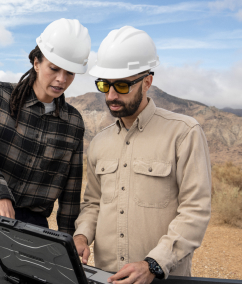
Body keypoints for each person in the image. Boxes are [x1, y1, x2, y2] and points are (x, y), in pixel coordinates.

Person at [73, 26, 211, 284]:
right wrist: (82, 236)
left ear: (147, 81)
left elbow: (196, 210)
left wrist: (153, 264)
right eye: (104, 85)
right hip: (108, 278)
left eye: (122, 86)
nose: (111, 96)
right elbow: (93, 203)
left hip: (163, 279)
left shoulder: (184, 132)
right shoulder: (100, 142)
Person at [0, 18, 91, 264]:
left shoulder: (73, 123)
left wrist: (68, 241)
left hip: (35, 230)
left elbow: (71, 189)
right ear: (36, 63)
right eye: (54, 68)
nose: (61, 79)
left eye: (69, 72)